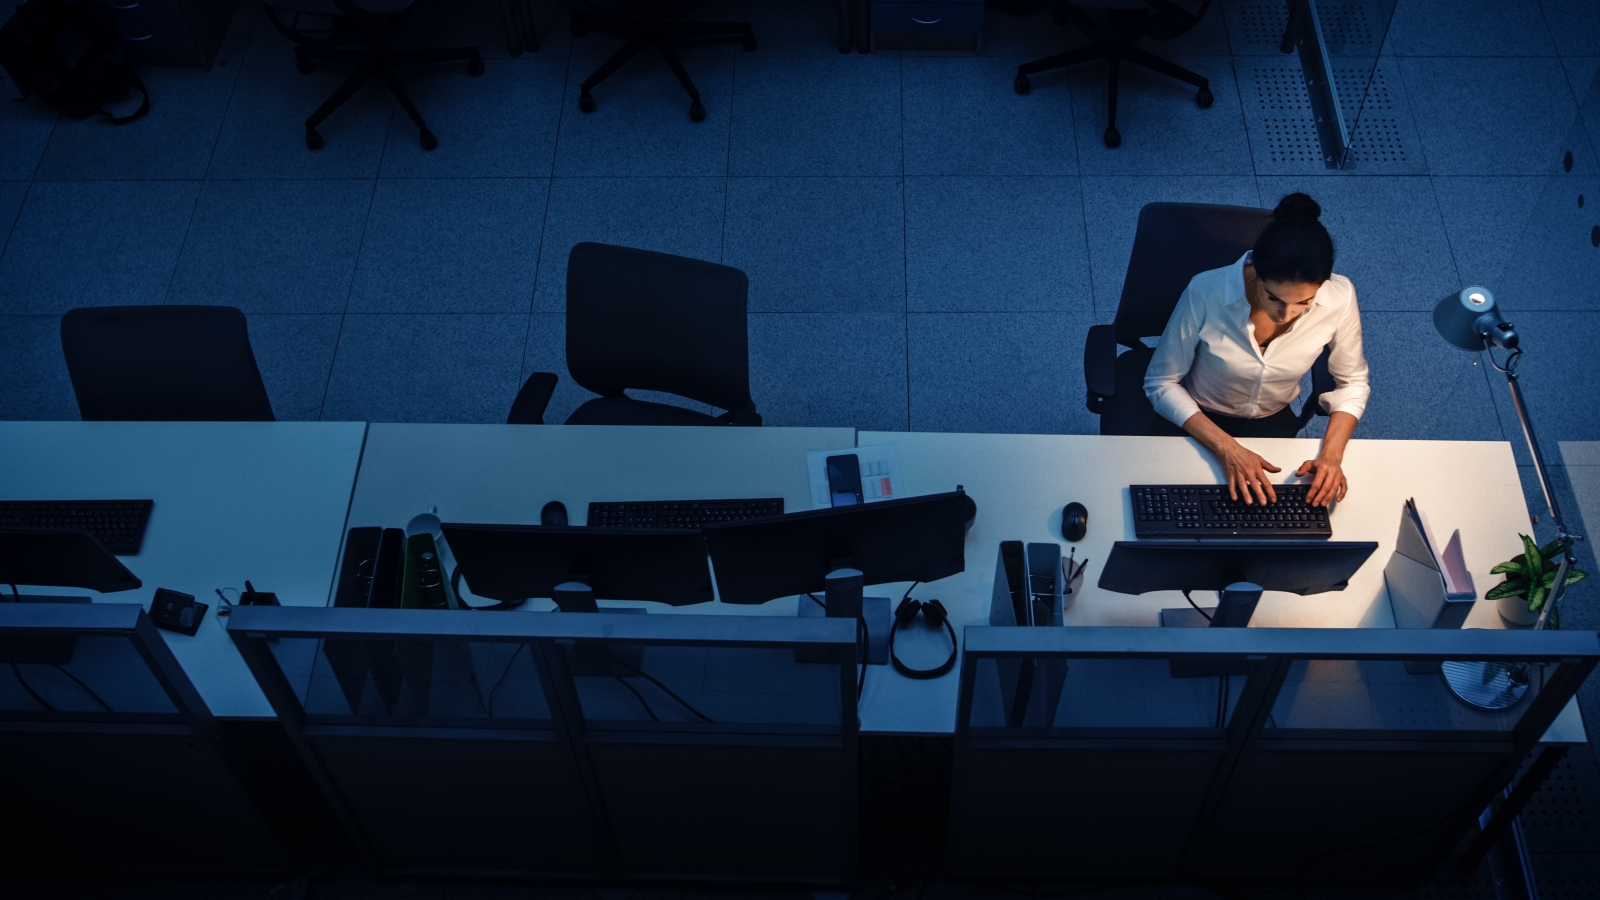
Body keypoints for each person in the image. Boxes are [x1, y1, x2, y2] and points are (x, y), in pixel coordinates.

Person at [1144, 193, 1370, 508]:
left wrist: (1332, 456)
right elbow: (1160, 382)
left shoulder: (1340, 297)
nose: (1286, 315)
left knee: (1272, 521)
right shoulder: (1206, 292)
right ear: (1254, 272)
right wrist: (1228, 449)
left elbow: (1353, 383)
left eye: (1304, 303)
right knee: (1175, 508)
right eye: (1274, 297)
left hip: (1272, 421)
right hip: (1199, 415)